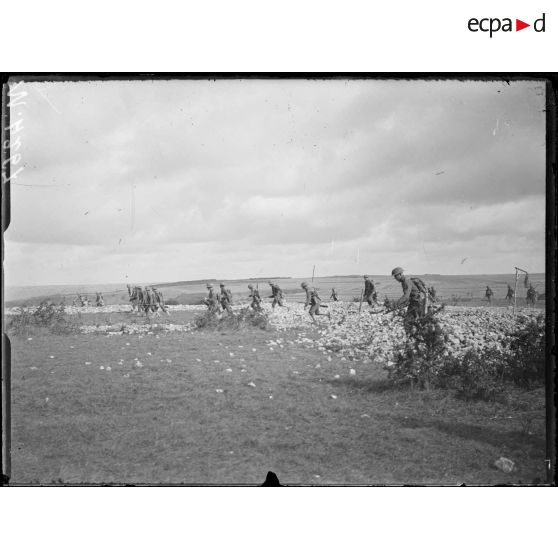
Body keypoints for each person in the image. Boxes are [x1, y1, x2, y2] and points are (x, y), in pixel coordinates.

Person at [391, 267, 427, 331]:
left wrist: (396, 304)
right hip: (415, 302)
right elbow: (409, 296)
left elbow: (406, 296)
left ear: (400, 274)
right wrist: (401, 305)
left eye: (396, 276)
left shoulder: (406, 281)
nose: (395, 278)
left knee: (410, 321)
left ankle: (415, 336)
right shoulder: (405, 281)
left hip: (417, 303)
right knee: (415, 321)